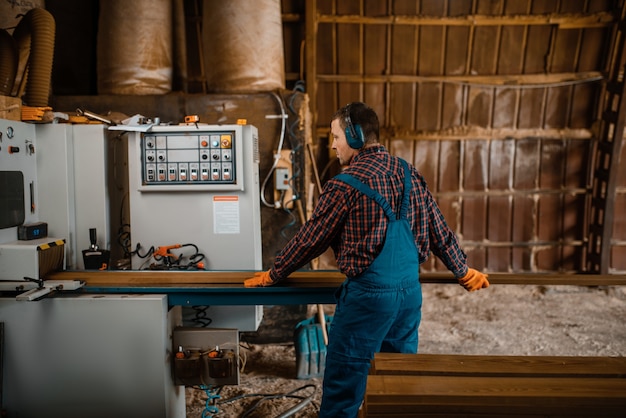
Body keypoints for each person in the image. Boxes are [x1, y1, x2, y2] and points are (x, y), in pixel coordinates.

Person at [244, 102, 489, 417]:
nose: (332, 144)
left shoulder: (343, 186)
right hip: (409, 296)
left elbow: (310, 240)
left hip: (368, 301)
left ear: (355, 136)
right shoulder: (409, 173)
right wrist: (462, 270)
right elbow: (439, 230)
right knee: (397, 383)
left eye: (336, 136)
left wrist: (274, 274)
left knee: (344, 386)